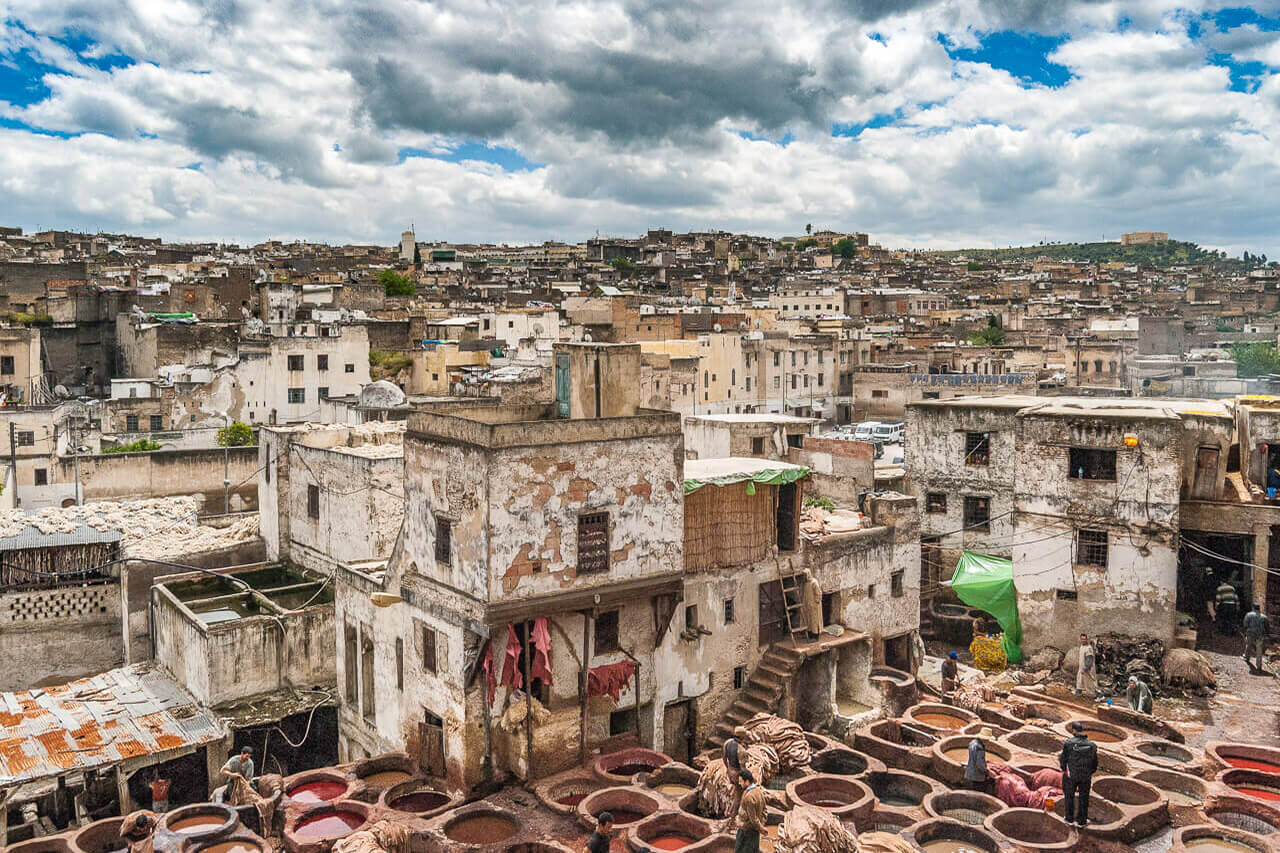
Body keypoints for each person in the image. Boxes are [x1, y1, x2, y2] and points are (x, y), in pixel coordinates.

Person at [1059, 721, 1098, 828]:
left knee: (1069, 796)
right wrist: (1089, 773)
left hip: (1071, 775)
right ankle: (1082, 821)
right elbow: (1095, 763)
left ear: (1073, 730)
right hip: (1085, 776)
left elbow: (1063, 760)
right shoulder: (1092, 745)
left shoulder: (1069, 743)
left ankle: (1069, 818)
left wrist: (1064, 770)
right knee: (1084, 798)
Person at [734, 769, 767, 853]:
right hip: (754, 832)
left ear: (747, 781)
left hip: (746, 831)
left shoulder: (749, 797)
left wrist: (761, 828)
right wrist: (761, 824)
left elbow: (753, 819)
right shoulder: (759, 791)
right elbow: (765, 810)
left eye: (741, 781)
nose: (739, 783)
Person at [964, 728, 993, 794]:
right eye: (987, 739)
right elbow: (979, 765)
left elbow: (973, 758)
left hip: (969, 773)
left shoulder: (972, 743)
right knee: (978, 794)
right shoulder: (980, 748)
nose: (988, 741)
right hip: (977, 777)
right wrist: (988, 772)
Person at [1243, 603, 1271, 672]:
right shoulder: (1264, 617)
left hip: (1250, 633)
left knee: (1248, 645)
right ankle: (1259, 666)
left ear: (1253, 608)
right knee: (1259, 650)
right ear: (1259, 609)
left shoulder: (1248, 615)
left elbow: (1245, 624)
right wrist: (1267, 634)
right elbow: (1267, 627)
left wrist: (1245, 632)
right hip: (1260, 634)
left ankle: (1246, 657)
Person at [1075, 634, 1097, 698]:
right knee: (1080, 679)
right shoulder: (1082, 647)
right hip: (1081, 668)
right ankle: (1078, 690)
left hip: (1088, 668)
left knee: (1089, 682)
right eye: (1082, 639)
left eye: (1084, 639)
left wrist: (1085, 668)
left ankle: (1092, 694)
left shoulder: (1088, 648)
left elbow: (1089, 659)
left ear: (1087, 639)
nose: (1083, 640)